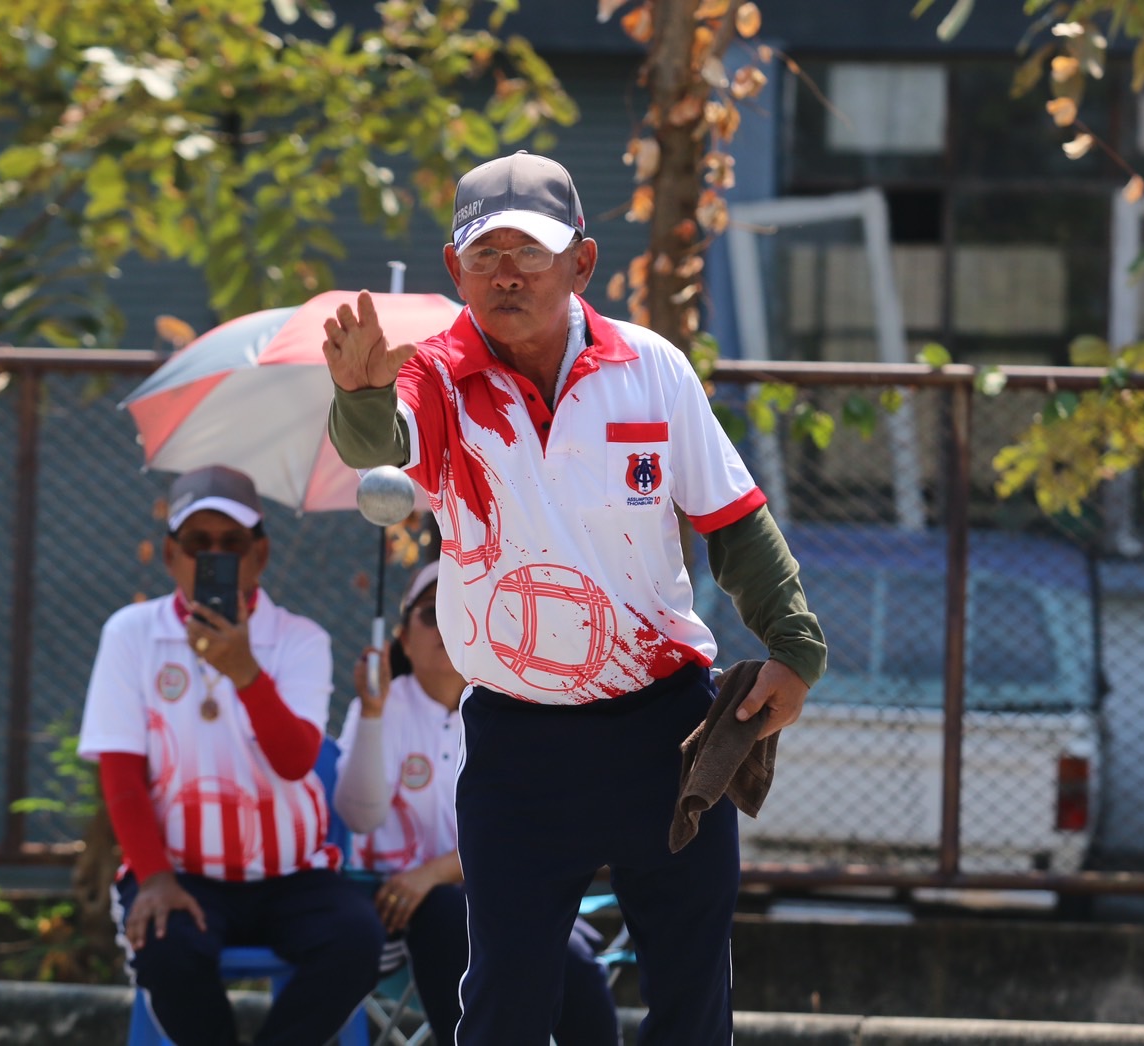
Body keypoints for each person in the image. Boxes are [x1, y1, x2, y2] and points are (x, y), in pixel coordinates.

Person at [320, 151, 826, 1045]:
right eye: (486, 255)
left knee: (692, 998)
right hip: (518, 743)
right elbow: (380, 444)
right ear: (456, 269)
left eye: (531, 251)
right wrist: (359, 397)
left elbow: (733, 519)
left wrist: (795, 646)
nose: (507, 274)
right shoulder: (435, 376)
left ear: (581, 263)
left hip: (665, 729)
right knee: (505, 1005)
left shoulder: (652, 367)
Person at [78, 464, 384, 1046]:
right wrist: (155, 879)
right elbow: (120, 775)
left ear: (259, 555)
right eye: (198, 543)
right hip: (180, 873)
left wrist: (246, 673)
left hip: (292, 875)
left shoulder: (300, 640)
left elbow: (295, 762)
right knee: (165, 949)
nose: (213, 557)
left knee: (356, 942)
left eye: (232, 543)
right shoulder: (131, 634)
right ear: (170, 556)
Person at [333, 560, 621, 1045]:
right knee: (450, 913)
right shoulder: (386, 706)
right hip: (391, 918)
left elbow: (530, 836)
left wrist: (434, 872)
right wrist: (372, 714)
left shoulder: (511, 710)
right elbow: (360, 817)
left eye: (461, 606)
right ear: (403, 639)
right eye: (431, 612)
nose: (446, 621)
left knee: (571, 958)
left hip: (494, 904)